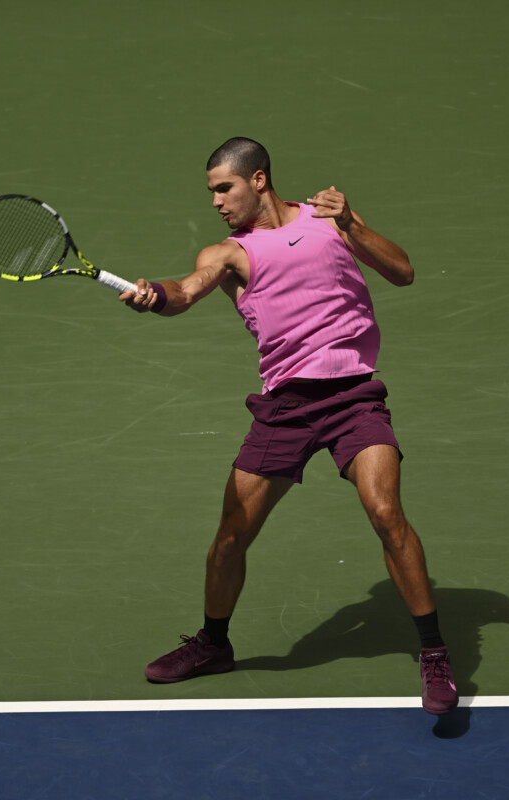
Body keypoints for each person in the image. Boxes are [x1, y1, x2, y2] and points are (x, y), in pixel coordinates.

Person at [119, 137, 457, 715]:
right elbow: (184, 292)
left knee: (386, 513)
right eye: (211, 193)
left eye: (224, 188)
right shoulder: (228, 255)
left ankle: (434, 655)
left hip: (354, 395)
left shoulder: (330, 220)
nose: (217, 202)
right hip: (285, 408)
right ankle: (213, 644)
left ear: (258, 180)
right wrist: (156, 296)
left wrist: (351, 221)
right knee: (230, 540)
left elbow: (401, 272)